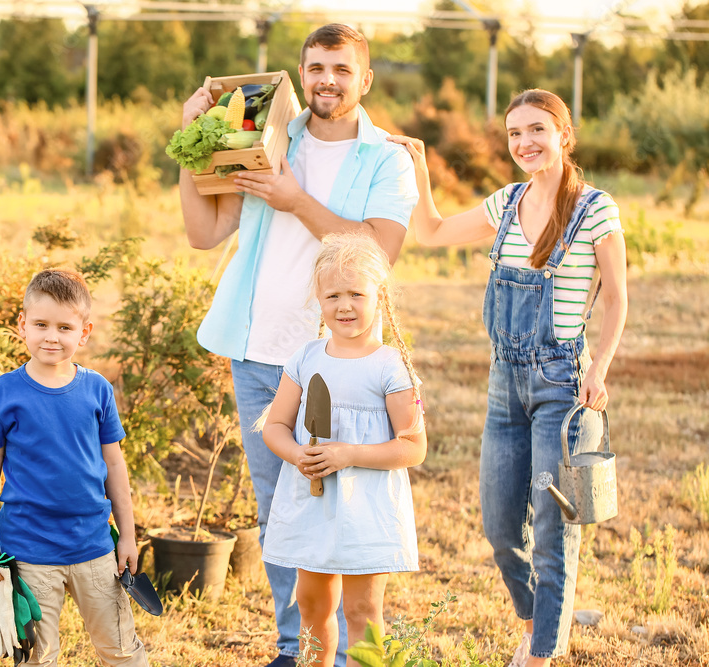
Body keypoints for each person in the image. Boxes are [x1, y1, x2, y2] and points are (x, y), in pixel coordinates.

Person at [179, 23, 418, 667]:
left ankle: (350, 654)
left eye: (342, 69)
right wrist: (190, 145)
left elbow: (377, 253)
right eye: (316, 67)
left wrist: (295, 199)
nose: (327, 80)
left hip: (338, 356)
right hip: (259, 348)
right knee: (280, 509)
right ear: (302, 72)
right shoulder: (266, 138)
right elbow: (204, 232)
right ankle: (296, 650)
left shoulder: (387, 159)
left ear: (364, 79)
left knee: (344, 506)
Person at [387, 89, 628, 667]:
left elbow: (618, 298)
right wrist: (420, 167)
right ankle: (538, 620)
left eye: (537, 130)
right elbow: (433, 232)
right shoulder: (505, 202)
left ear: (563, 136)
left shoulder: (595, 208)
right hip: (504, 383)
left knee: (553, 524)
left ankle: (543, 651)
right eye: (515, 132)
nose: (525, 142)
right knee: (499, 527)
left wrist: (600, 367)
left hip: (562, 382)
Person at [261, 232, 427, 667]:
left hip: (366, 508)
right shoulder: (306, 359)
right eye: (333, 295)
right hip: (311, 504)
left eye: (356, 293)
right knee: (313, 606)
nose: (345, 305)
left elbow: (413, 447)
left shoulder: (389, 365)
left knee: (362, 610)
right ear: (319, 299)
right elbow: (276, 426)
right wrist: (297, 454)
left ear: (379, 295)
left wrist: (349, 454)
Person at [0, 269, 148, 667]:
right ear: (22, 326)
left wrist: (129, 537)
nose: (51, 336)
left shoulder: (97, 389)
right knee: (37, 657)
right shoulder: (3, 393)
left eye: (64, 327)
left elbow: (115, 466)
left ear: (83, 333)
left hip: (94, 546)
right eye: (41, 324)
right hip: (30, 549)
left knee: (119, 648)